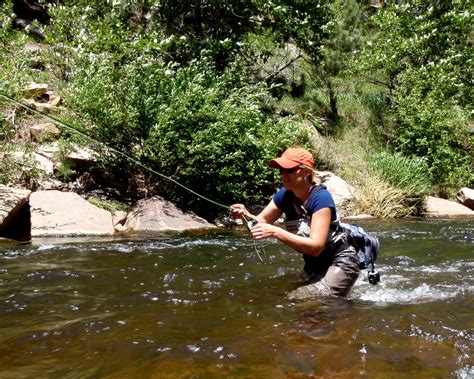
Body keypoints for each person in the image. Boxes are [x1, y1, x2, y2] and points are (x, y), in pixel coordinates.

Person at [230, 147, 360, 299]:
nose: (283, 175)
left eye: (289, 170)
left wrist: (275, 231)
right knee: (286, 296)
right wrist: (245, 216)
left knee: (301, 298)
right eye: (281, 170)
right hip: (314, 264)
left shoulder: (321, 199)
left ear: (306, 172)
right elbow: (257, 225)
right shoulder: (283, 196)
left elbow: (315, 247)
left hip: (341, 262)